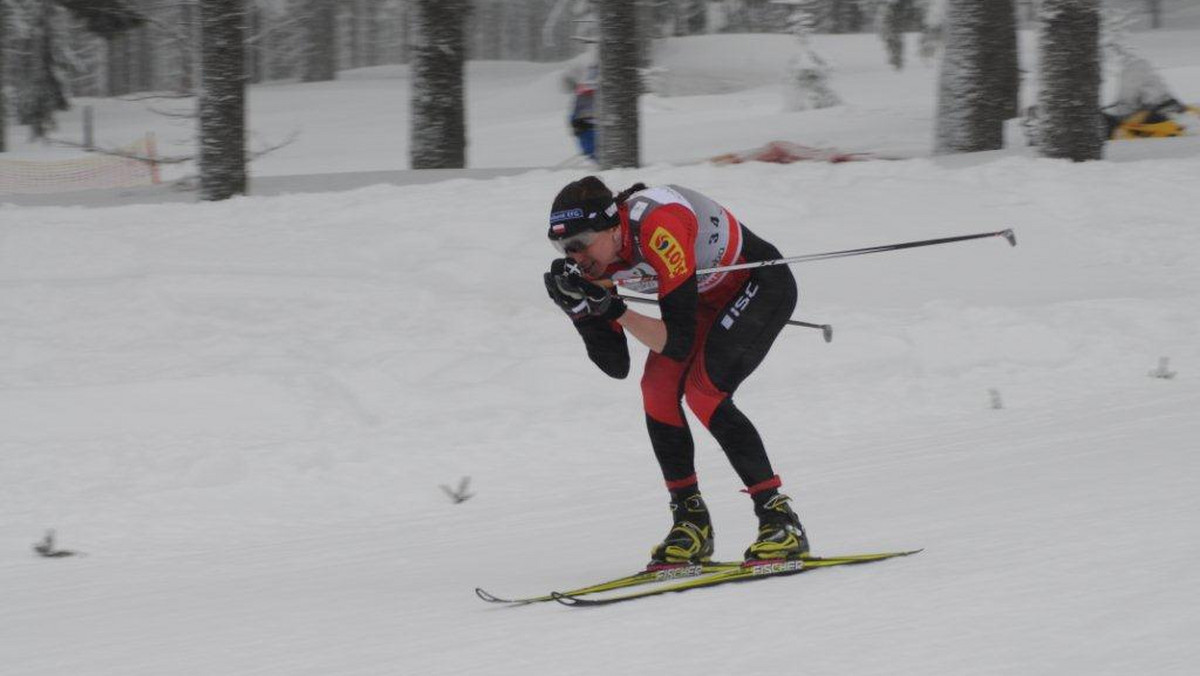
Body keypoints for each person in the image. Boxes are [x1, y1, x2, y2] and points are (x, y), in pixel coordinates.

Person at [542, 176, 809, 564]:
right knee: (656, 390)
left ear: (613, 226)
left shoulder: (658, 227)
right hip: (699, 299)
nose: (575, 257)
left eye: (579, 243)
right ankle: (691, 520)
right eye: (563, 247)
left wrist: (613, 308)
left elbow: (677, 341)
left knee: (705, 392)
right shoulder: (593, 260)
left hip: (757, 284)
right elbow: (616, 364)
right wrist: (580, 312)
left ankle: (779, 517)